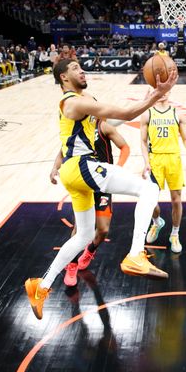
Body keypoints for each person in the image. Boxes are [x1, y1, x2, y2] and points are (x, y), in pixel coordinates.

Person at [24, 58, 178, 320]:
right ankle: (135, 254)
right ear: (63, 78)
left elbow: (112, 122)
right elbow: (126, 114)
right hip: (83, 167)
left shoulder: (81, 103)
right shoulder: (72, 101)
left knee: (83, 236)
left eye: (80, 67)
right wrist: (157, 95)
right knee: (149, 190)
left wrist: (151, 96)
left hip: (72, 175)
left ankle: (42, 286)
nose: (81, 70)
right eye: (74, 69)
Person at [50, 119, 131, 287]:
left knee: (103, 230)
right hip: (83, 182)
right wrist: (54, 168)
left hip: (102, 182)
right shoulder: (76, 130)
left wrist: (118, 168)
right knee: (78, 229)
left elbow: (125, 147)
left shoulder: (104, 127)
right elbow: (63, 150)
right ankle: (71, 265)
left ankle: (90, 251)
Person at [141, 91, 186, 253]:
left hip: (174, 159)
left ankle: (175, 234)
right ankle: (156, 222)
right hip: (155, 160)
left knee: (176, 199)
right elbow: (143, 141)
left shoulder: (177, 114)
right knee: (151, 199)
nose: (162, 94)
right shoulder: (147, 114)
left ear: (170, 92)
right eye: (158, 91)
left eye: (165, 91)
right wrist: (146, 162)